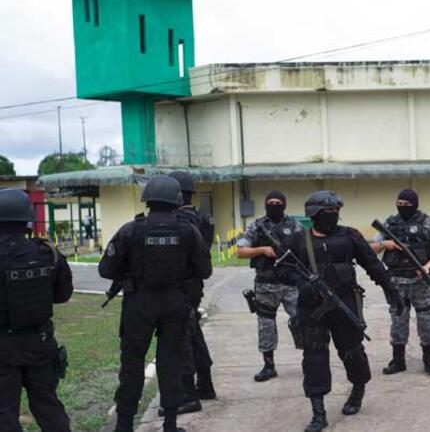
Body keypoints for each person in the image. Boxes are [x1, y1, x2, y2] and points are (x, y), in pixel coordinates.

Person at [276, 190, 403, 432]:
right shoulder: (297, 240)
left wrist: (391, 290)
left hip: (345, 303)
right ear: (314, 213)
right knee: (314, 358)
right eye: (328, 211)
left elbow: (372, 264)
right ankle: (318, 412)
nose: (333, 215)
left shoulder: (349, 236)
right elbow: (281, 269)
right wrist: (301, 283)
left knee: (352, 351)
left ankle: (357, 390)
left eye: (336, 211)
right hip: (312, 307)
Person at [99, 176, 212, 432]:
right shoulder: (189, 231)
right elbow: (205, 270)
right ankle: (170, 425)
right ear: (177, 200)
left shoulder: (130, 230)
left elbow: (106, 269)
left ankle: (124, 425)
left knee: (132, 364)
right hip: (175, 303)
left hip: (139, 303)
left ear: (147, 199)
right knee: (170, 363)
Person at [0, 189, 73, 432]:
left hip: (3, 348)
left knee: (4, 413)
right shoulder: (47, 253)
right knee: (48, 406)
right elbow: (63, 295)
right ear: (27, 221)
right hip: (39, 342)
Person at [371, 188, 430, 376]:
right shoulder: (390, 223)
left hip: (421, 281)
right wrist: (384, 244)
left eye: (407, 204)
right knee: (398, 320)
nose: (402, 207)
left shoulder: (427, 223)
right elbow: (371, 249)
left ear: (415, 204)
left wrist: (428, 266)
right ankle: (398, 361)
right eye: (400, 203)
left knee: (426, 321)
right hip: (396, 280)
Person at [159, 171, 217, 416]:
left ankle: (188, 395)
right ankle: (205, 384)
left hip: (180, 286)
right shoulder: (203, 218)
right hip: (194, 285)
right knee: (193, 334)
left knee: (181, 339)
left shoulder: (179, 221)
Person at [236, 190, 303, 382]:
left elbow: (306, 247)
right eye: (271, 203)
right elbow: (240, 252)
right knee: (266, 324)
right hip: (266, 283)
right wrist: (261, 250)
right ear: (265, 205)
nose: (274, 206)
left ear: (284, 204)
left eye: (278, 203)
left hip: (291, 283)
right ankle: (269, 365)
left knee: (302, 320)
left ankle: (310, 360)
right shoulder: (258, 226)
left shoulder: (294, 225)